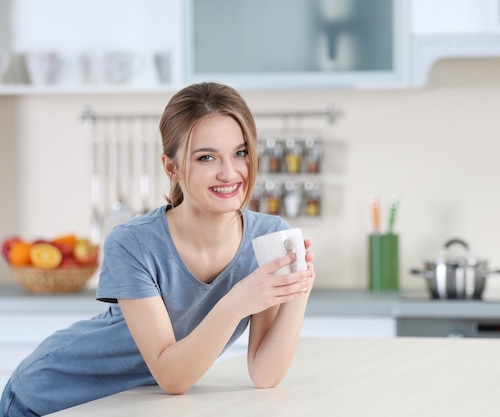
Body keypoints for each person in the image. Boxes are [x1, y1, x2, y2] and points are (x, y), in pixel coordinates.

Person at [0, 82, 316, 417]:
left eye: (240, 153)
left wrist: (299, 286)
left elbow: (264, 374)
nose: (229, 172)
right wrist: (237, 303)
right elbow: (172, 377)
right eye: (207, 157)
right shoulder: (132, 243)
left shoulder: (269, 238)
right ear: (172, 169)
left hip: (133, 405)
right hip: (49, 398)